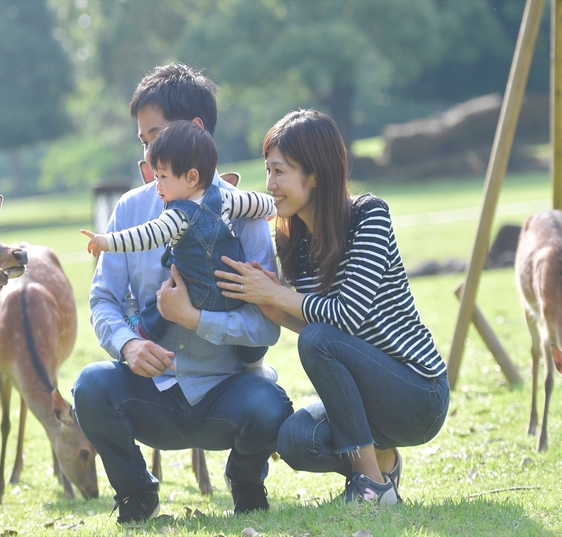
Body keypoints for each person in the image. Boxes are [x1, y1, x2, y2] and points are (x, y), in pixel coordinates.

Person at [71, 64, 294, 524]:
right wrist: (129, 345)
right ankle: (136, 491)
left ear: (194, 130)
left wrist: (195, 318)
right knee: (91, 386)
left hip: (225, 393)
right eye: (142, 141)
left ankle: (246, 480)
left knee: (271, 406)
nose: (148, 153)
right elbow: (103, 300)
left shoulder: (243, 213)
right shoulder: (132, 208)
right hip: (152, 393)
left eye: (155, 136)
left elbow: (265, 328)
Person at [215, 109, 449, 505]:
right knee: (295, 440)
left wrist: (278, 296)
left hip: (417, 392)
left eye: (279, 171)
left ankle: (372, 488)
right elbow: (323, 329)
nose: (269, 185)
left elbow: (346, 316)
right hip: (366, 396)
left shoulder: (369, 215)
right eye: (267, 172)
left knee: (318, 339)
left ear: (316, 175)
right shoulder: (294, 240)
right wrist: (274, 309)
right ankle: (384, 463)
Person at [80, 120, 275, 364]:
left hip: (198, 295)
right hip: (231, 295)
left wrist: (107, 241)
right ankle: (250, 356)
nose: (156, 184)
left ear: (192, 177)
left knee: (162, 301)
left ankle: (141, 330)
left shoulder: (177, 214)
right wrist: (273, 208)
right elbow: (257, 203)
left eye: (162, 177)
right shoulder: (225, 198)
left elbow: (146, 235)